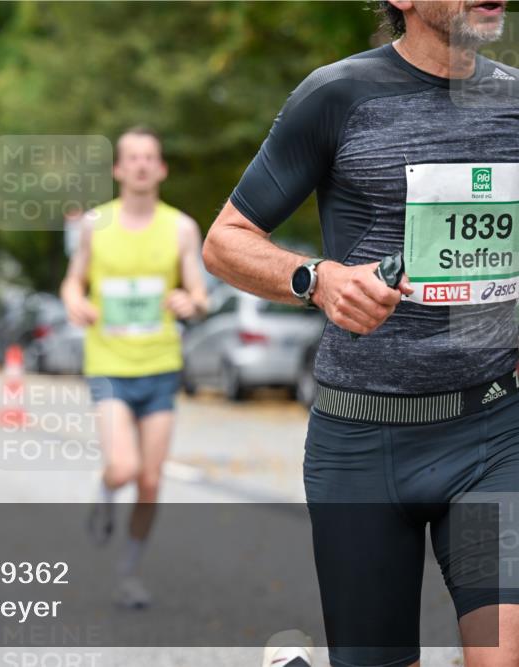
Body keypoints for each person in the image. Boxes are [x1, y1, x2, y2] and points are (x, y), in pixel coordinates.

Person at [202, 2, 517, 666]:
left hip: (493, 434)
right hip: (363, 443)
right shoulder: (337, 95)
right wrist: (318, 279)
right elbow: (225, 242)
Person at [60, 127, 208, 608]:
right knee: (123, 468)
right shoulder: (95, 224)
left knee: (149, 480)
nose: (141, 165)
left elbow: (201, 295)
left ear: (161, 169)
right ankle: (105, 496)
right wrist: (75, 301)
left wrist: (190, 301)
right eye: (133, 158)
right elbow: (72, 281)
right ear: (118, 169)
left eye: (149, 157)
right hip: (109, 364)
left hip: (160, 365)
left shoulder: (181, 227)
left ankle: (128, 572)